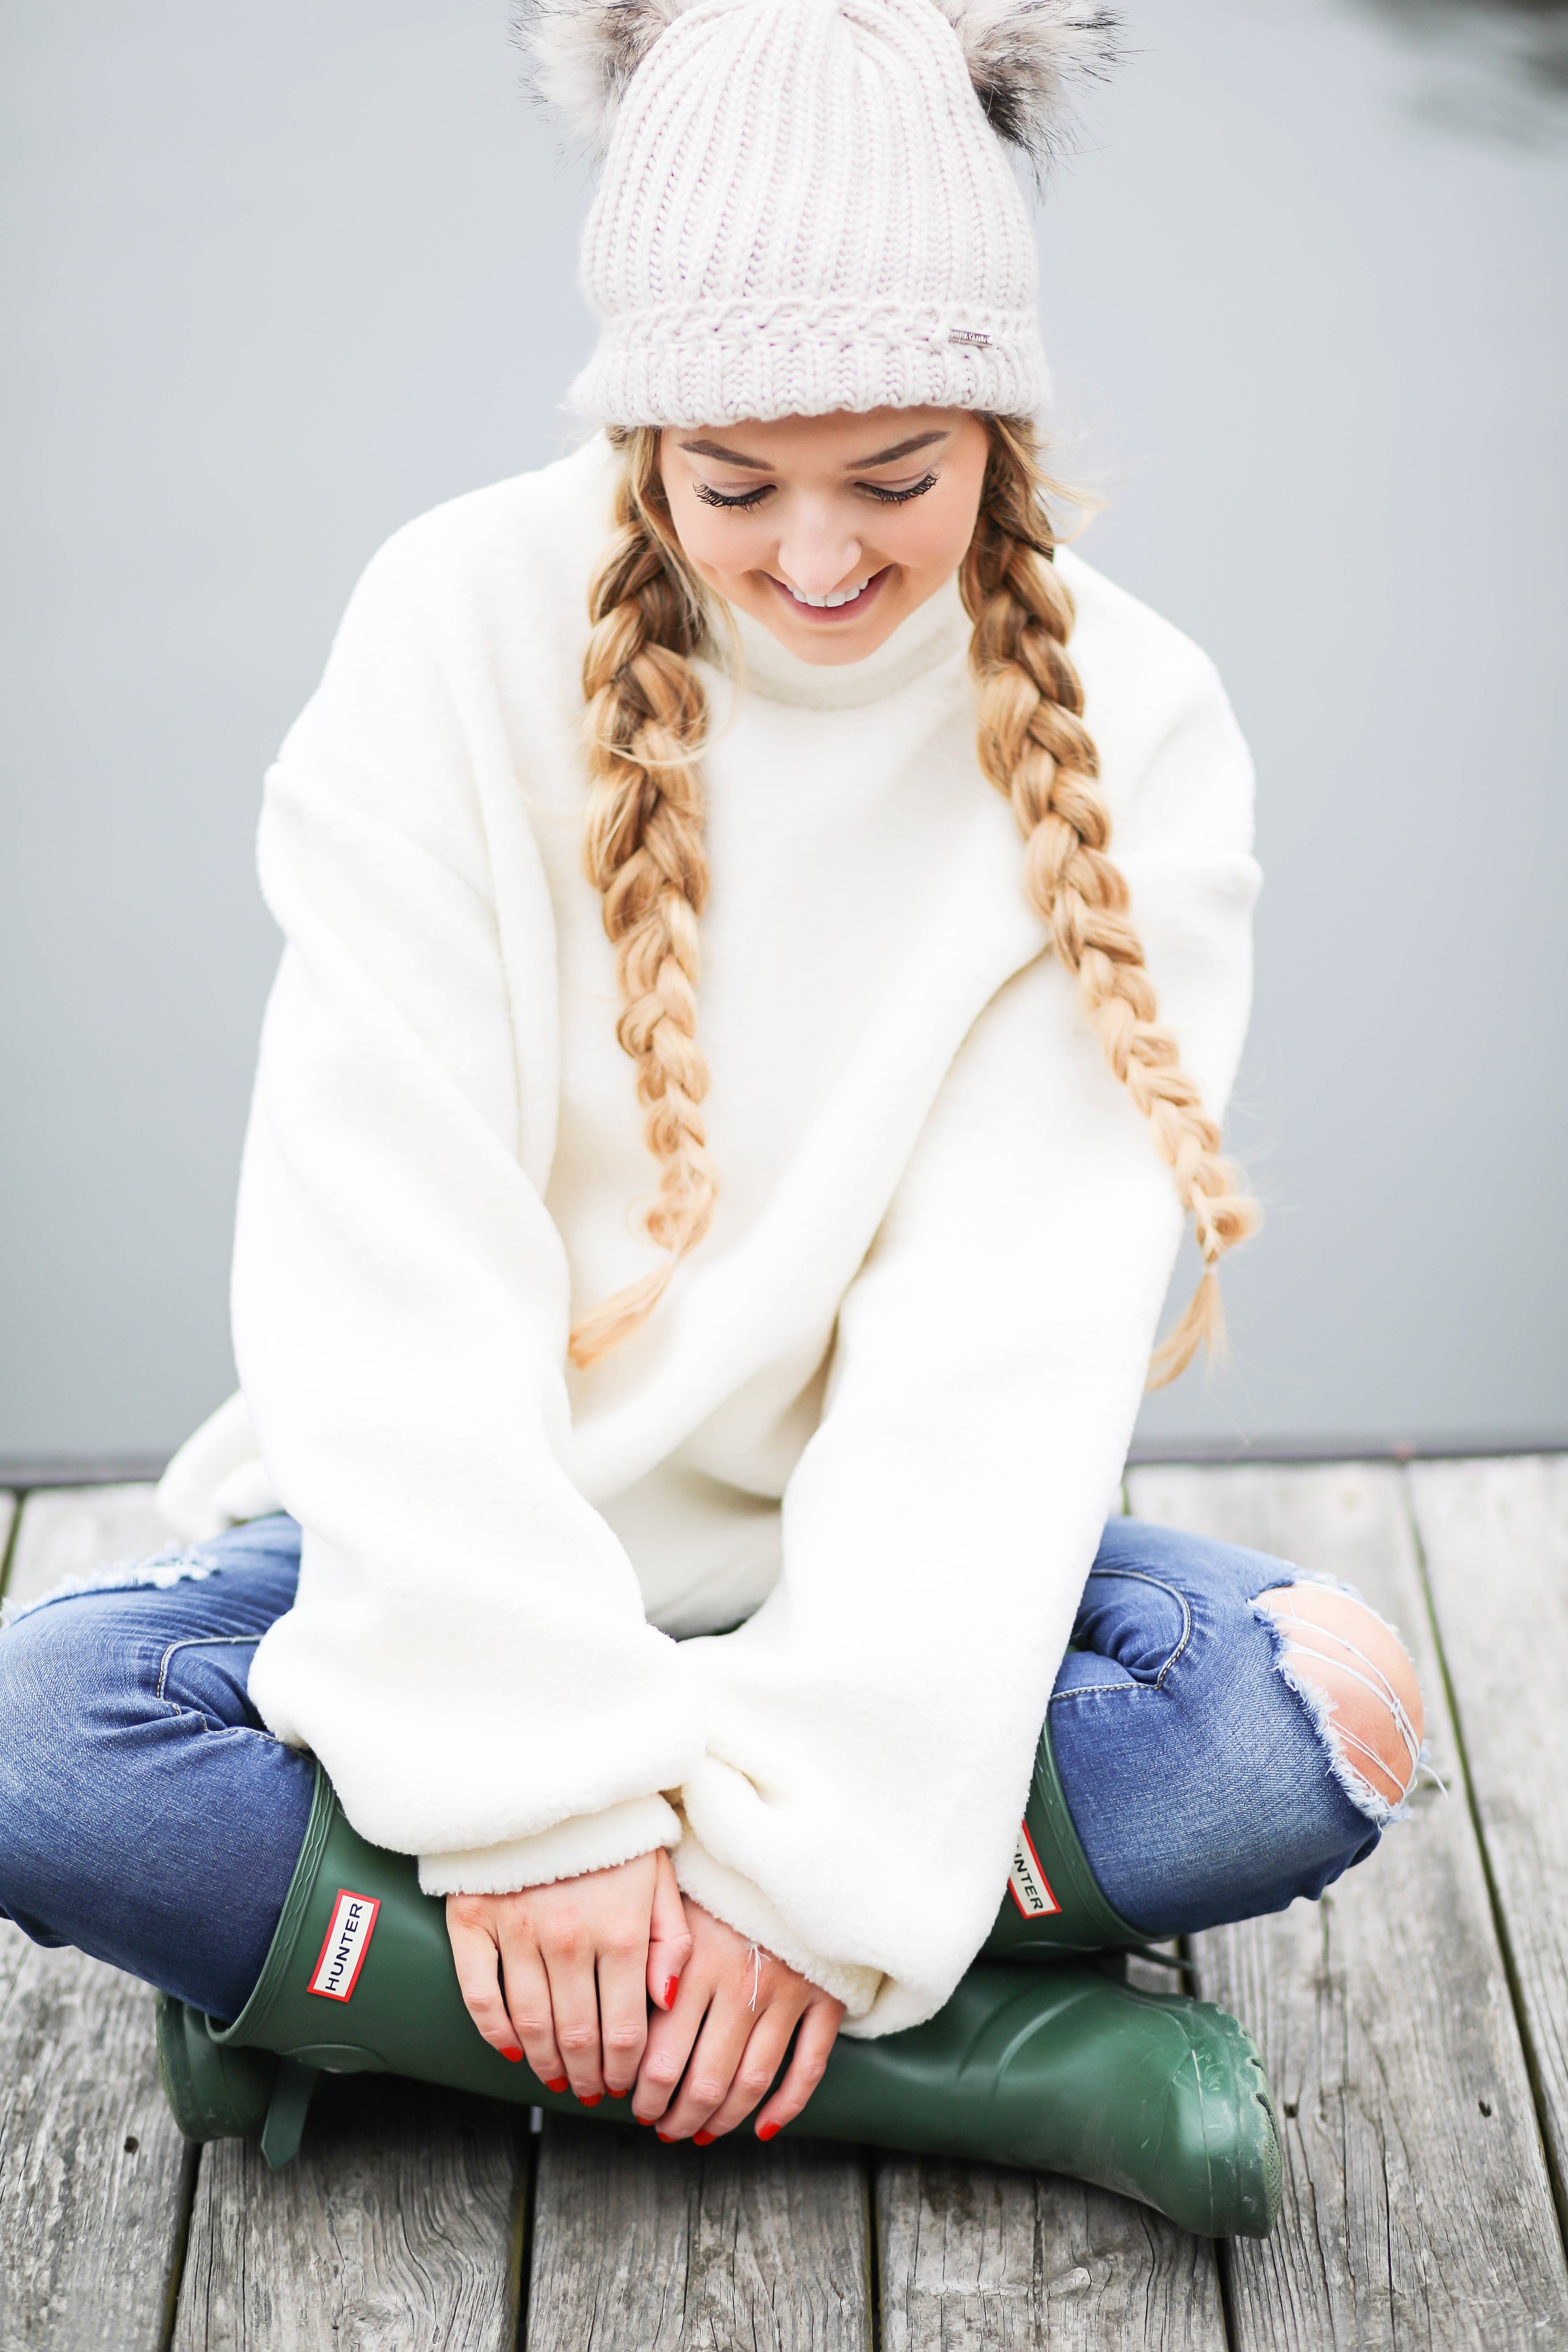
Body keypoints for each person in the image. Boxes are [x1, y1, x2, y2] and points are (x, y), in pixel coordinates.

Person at [0, 0, 1423, 2202]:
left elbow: (995, 1372)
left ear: (1002, 424)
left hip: (866, 1596)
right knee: (37, 1752)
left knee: (1305, 1721)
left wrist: (814, 1857)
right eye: (736, 484)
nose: (825, 561)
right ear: (644, 432)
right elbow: (379, 1259)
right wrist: (539, 1800)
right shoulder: (447, 631)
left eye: (901, 478)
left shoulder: (1136, 725)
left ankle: (346, 1988)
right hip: (445, 1567)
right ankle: (962, 2062)